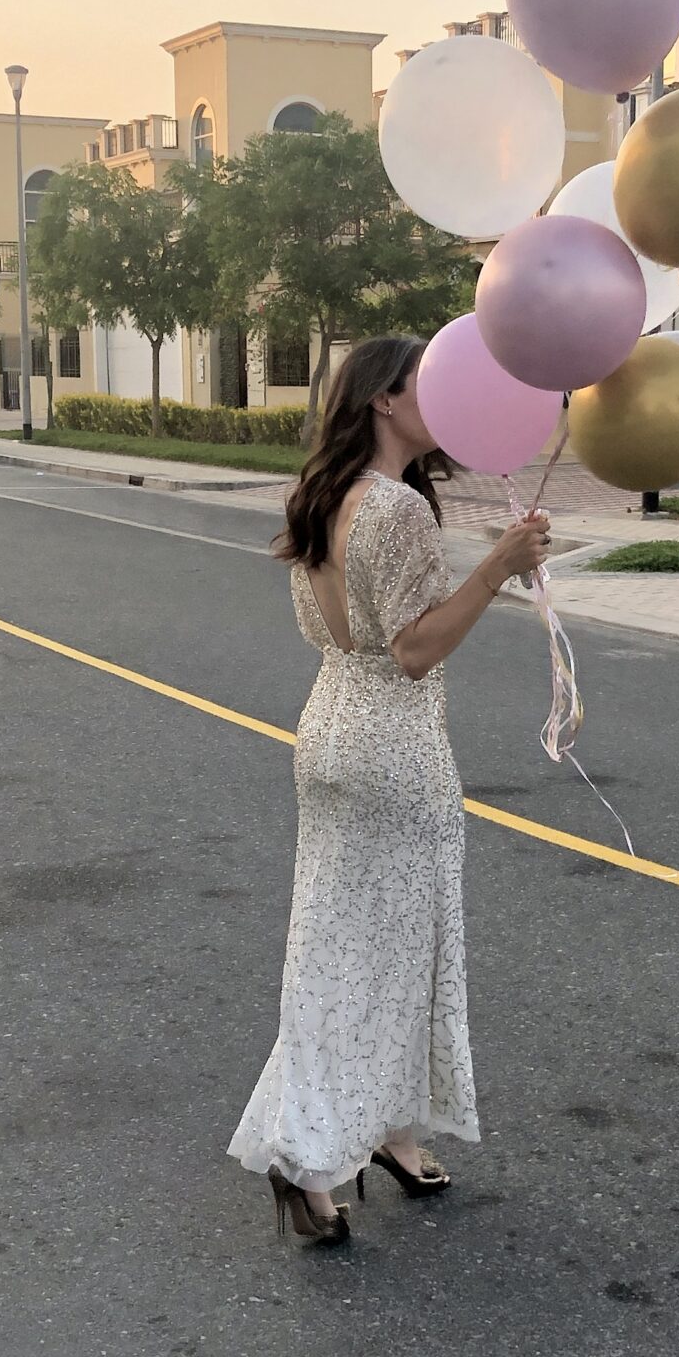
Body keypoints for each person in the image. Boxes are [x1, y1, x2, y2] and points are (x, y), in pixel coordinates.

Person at [228, 333, 550, 1246]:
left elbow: (350, 636)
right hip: (394, 747)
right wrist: (500, 567)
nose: (443, 400)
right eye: (426, 385)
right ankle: (307, 1155)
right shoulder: (399, 509)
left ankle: (392, 1136)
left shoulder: (324, 495)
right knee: (385, 958)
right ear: (382, 399)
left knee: (343, 947)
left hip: (328, 723)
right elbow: (414, 651)